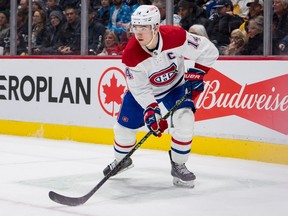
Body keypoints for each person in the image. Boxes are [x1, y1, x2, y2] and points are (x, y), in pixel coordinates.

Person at [103, 5, 219, 188]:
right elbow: (140, 89)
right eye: (136, 27)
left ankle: (178, 165)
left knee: (185, 118)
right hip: (146, 91)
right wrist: (151, 111)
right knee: (122, 130)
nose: (138, 33)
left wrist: (198, 73)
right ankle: (121, 160)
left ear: (156, 27)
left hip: (176, 86)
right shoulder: (131, 54)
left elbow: (209, 50)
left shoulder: (176, 36)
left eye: (144, 27)